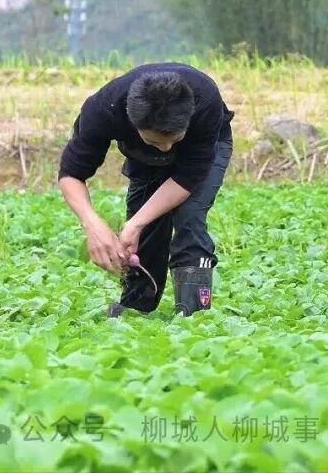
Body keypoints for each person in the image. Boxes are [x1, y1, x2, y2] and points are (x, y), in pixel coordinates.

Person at [58, 63, 235, 317]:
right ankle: (136, 312)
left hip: (206, 148)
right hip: (143, 158)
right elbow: (71, 174)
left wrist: (135, 224)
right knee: (143, 229)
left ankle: (196, 317)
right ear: (132, 123)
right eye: (154, 140)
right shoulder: (104, 109)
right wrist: (93, 225)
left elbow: (187, 179)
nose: (166, 148)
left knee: (189, 217)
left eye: (175, 139)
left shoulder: (205, 100)